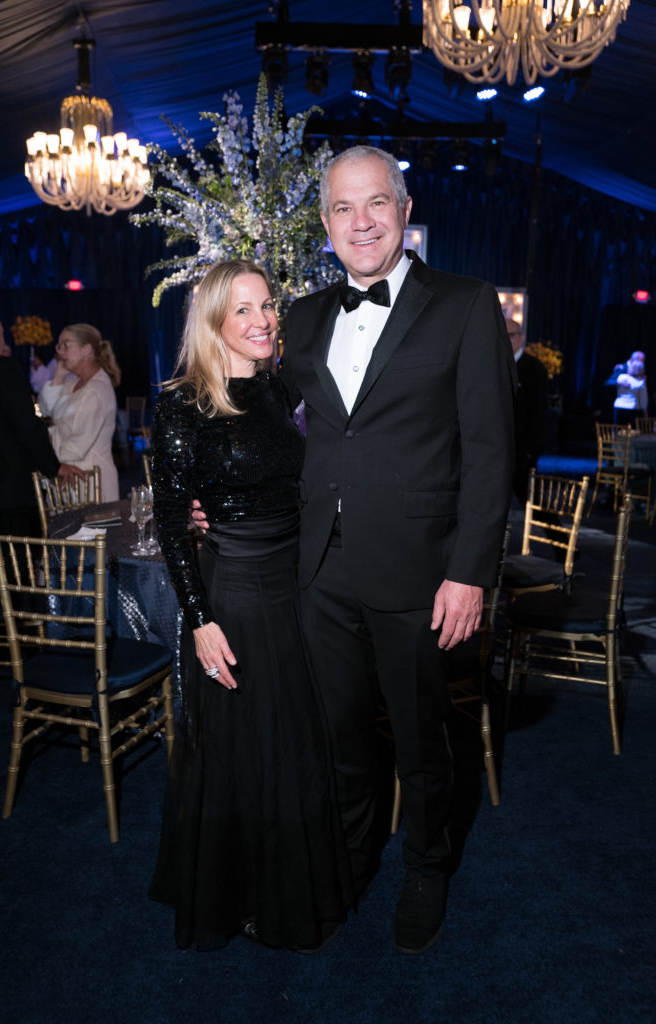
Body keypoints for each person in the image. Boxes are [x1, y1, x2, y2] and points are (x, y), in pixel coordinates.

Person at [279, 146, 516, 955]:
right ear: (324, 225)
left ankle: (426, 866)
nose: (361, 222)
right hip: (318, 570)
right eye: (342, 209)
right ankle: (349, 859)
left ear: (405, 210)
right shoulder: (304, 317)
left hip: (421, 569)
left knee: (421, 738)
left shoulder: (464, 303)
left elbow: (490, 452)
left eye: (375, 203)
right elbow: (278, 435)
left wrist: (468, 572)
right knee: (340, 733)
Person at [148, 259, 352, 953]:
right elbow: (175, 521)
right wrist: (199, 620)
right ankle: (233, 895)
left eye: (268, 305)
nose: (263, 320)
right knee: (237, 749)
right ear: (212, 322)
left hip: (293, 585)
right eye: (243, 310)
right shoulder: (181, 402)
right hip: (231, 591)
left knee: (290, 744)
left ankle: (281, 892)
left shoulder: (278, 387)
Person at [0, 302, 82, 536]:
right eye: (1, 332)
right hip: (8, 487)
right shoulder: (2, 368)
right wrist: (54, 467)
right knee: (17, 563)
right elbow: (26, 427)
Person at [38, 324, 121, 501]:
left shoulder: (97, 388)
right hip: (69, 474)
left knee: (91, 528)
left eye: (66, 345)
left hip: (89, 476)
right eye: (58, 346)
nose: (59, 351)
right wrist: (58, 376)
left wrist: (52, 464)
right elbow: (47, 411)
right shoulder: (72, 383)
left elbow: (80, 438)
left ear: (86, 350)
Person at [506, 317, 549, 505]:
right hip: (500, 446)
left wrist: (530, 451)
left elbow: (539, 411)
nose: (507, 339)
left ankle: (558, 535)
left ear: (521, 338)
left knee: (532, 500)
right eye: (502, 335)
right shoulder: (495, 363)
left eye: (511, 335)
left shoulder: (534, 368)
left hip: (522, 448)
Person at [613, 351, 648, 426]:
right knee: (632, 434)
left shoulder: (621, 377)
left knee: (619, 432)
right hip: (632, 409)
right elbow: (643, 400)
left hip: (619, 407)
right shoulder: (640, 382)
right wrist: (645, 414)